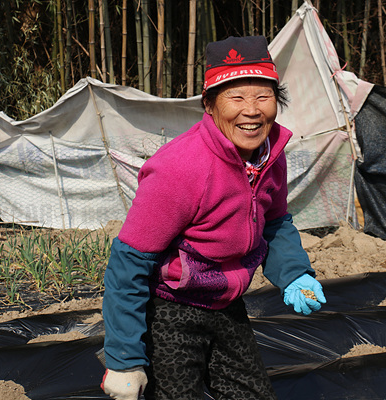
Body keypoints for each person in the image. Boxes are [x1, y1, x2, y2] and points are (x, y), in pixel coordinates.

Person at [101, 35, 326, 400]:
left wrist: (293, 272)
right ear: (209, 104)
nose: (251, 110)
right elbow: (129, 261)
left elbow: (274, 222)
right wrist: (124, 358)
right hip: (170, 309)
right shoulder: (180, 168)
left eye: (263, 96)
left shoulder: (271, 157)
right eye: (236, 98)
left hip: (226, 302)